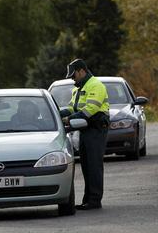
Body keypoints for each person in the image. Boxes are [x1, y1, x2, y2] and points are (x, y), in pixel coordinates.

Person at [60, 58, 110, 210]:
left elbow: (90, 109)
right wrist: (56, 113)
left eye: (73, 75)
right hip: (85, 130)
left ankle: (94, 201)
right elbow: (72, 107)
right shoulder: (78, 88)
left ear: (82, 71)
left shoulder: (95, 85)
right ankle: (88, 200)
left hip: (96, 129)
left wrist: (69, 119)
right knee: (87, 166)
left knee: (94, 166)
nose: (72, 79)